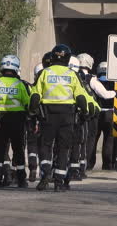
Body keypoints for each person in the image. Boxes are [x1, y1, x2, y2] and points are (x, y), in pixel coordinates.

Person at [29, 44, 88, 192]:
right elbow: (80, 97)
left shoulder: (44, 73)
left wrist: (32, 111)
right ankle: (59, 181)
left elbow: (35, 96)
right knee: (63, 148)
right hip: (67, 116)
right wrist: (85, 111)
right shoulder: (72, 74)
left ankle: (45, 173)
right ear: (68, 58)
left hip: (47, 115)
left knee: (45, 146)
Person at [0, 55, 30, 188]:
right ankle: (21, 180)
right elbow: (27, 102)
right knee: (18, 150)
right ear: (16, 68)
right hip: (17, 120)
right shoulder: (19, 85)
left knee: (0, 150)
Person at [77, 54, 116, 171]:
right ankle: (107, 164)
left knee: (91, 139)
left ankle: (88, 163)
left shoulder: (75, 77)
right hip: (108, 114)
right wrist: (116, 93)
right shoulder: (113, 82)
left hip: (90, 113)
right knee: (108, 140)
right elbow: (104, 94)